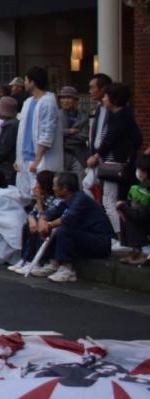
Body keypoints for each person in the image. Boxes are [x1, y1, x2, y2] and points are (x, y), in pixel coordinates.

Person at [29, 171, 114, 282]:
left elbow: (68, 218)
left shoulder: (80, 199)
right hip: (85, 237)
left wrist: (48, 225)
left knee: (64, 230)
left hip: (99, 242)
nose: (53, 188)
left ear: (64, 188)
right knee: (54, 229)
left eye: (55, 185)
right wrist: (43, 220)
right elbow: (51, 213)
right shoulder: (67, 200)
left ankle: (68, 269)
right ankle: (53, 263)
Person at [86, 82, 142, 235]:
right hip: (116, 164)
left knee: (110, 201)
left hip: (115, 164)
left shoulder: (120, 117)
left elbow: (110, 140)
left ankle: (121, 236)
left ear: (114, 99)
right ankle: (123, 236)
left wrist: (97, 155)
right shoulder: (123, 115)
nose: (103, 99)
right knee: (115, 200)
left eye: (106, 96)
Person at [15, 67, 62, 201]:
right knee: (25, 195)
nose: (24, 83)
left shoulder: (48, 102)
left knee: (41, 195)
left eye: (25, 79)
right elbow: (23, 132)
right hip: (25, 157)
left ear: (32, 82)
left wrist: (37, 160)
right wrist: (18, 158)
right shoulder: (28, 102)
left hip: (39, 159)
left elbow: (47, 134)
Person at [115, 155, 150, 267]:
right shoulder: (142, 186)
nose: (138, 172)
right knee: (126, 211)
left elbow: (142, 215)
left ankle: (144, 251)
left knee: (130, 214)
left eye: (140, 169)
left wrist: (124, 207)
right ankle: (136, 250)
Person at [59, 86, 89, 177]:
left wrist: (64, 138)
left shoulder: (83, 115)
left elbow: (84, 136)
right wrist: (70, 131)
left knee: (80, 183)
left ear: (75, 100)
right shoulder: (56, 115)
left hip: (79, 156)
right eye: (63, 98)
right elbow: (54, 135)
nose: (65, 101)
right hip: (61, 156)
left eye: (68, 98)